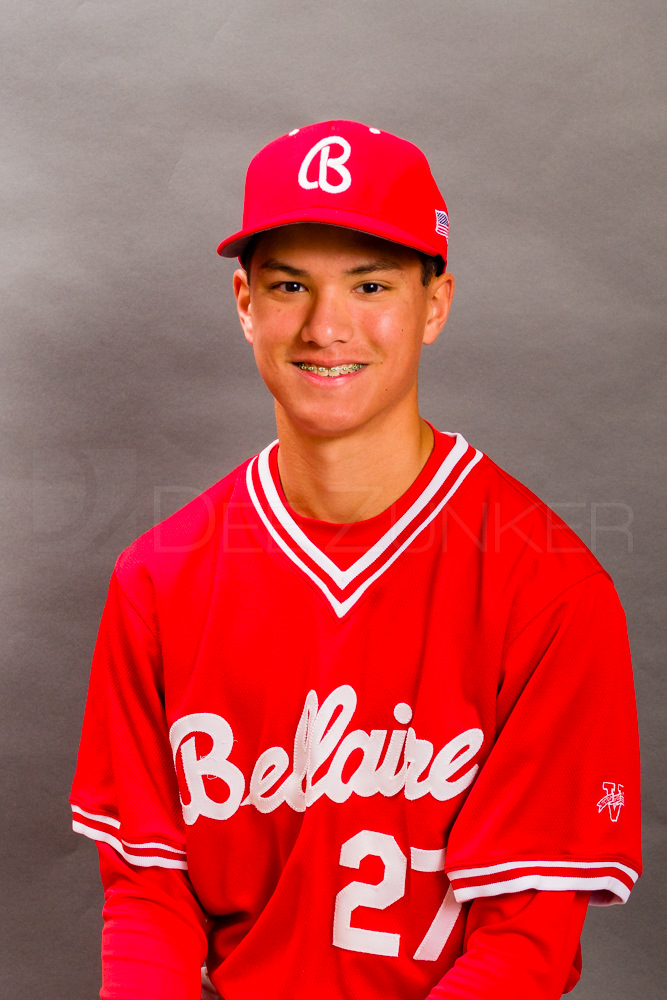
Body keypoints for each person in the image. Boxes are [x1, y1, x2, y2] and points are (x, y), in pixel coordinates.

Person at [70, 120, 641, 1000]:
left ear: (435, 304)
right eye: (289, 284)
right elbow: (149, 898)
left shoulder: (551, 589)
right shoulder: (158, 578)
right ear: (243, 305)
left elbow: (521, 947)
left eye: (369, 284)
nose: (325, 326)